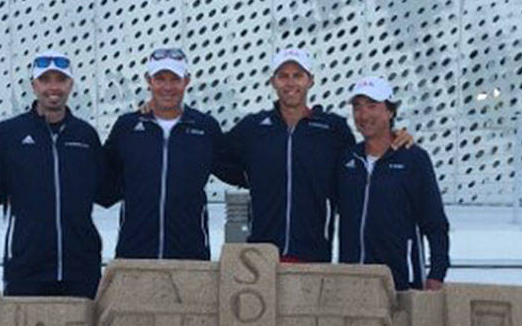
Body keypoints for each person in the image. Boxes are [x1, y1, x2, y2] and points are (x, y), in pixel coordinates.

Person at [0, 50, 108, 298]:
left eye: (60, 80)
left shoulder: (85, 135)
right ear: (34, 85)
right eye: (45, 80)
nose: (53, 87)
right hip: (27, 269)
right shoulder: (8, 133)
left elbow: (106, 191)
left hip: (81, 268)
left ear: (71, 85)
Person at [218, 48, 355, 264]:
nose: (290, 83)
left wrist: (394, 135)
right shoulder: (254, 127)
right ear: (273, 81)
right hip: (263, 255)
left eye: (297, 76)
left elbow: (362, 163)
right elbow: (215, 155)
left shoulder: (332, 129)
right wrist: (251, 178)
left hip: (315, 253)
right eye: (283, 76)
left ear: (310, 80)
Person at [103, 48, 226, 260]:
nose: (167, 87)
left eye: (175, 79)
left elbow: (234, 167)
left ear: (186, 81)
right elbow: (104, 177)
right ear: (148, 80)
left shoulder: (206, 127)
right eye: (160, 79)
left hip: (190, 254)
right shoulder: (127, 127)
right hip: (135, 252)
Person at [335, 76, 449, 291]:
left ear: (390, 112)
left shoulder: (414, 159)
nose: (364, 114)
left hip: (400, 282)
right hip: (352, 279)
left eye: (372, 106)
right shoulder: (347, 159)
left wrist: (437, 273)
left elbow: (434, 221)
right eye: (358, 107)